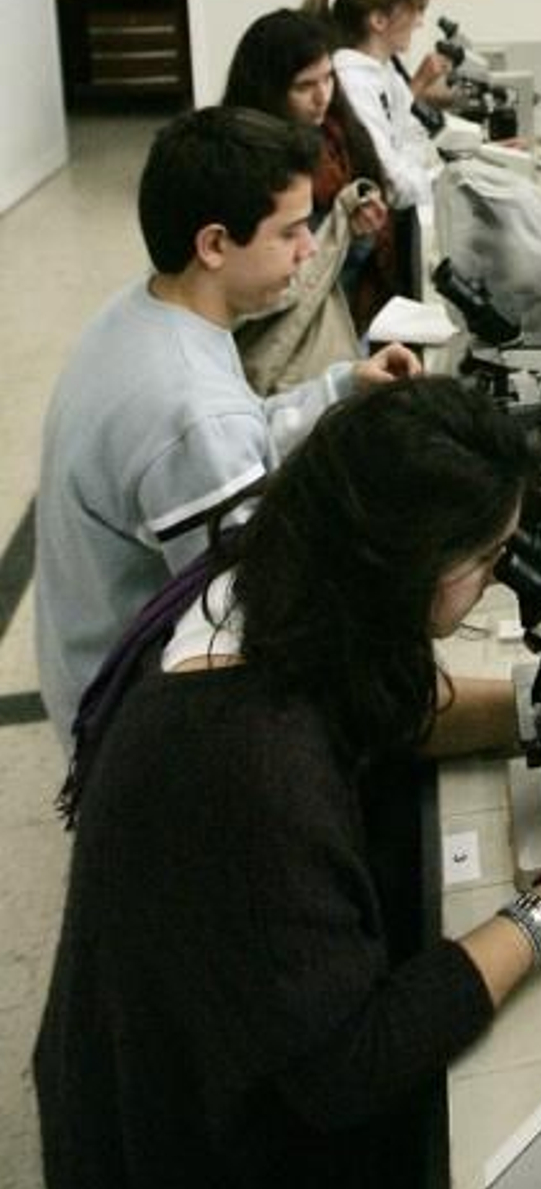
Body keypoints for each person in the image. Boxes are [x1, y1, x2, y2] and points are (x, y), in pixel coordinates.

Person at [34, 376, 541, 1189]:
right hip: (189, 1180)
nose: (493, 585)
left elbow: (392, 705)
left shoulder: (274, 577)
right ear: (428, 571)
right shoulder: (256, 774)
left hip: (175, 1040)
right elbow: (354, 1062)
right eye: (493, 559)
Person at [33, 108, 421, 744]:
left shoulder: (149, 310)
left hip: (84, 656)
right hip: (130, 711)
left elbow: (239, 434)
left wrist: (344, 387)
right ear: (214, 244)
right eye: (291, 231)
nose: (307, 250)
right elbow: (261, 600)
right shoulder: (190, 408)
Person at [223, 9, 400, 386]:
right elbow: (292, 282)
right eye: (304, 86)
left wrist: (360, 231)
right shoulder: (248, 163)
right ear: (268, 89)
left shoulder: (340, 134)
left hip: (346, 317)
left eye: (328, 79)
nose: (323, 97)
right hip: (293, 348)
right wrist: (347, 238)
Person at [307, 0, 438, 214]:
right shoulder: (352, 81)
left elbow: (418, 140)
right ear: (378, 20)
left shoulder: (383, 70)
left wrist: (421, 166)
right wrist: (436, 178)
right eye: (414, 12)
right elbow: (393, 186)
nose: (420, 22)